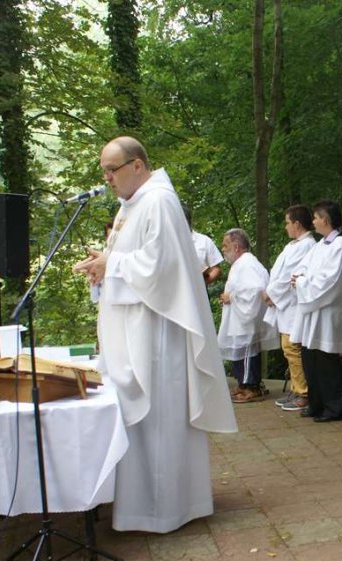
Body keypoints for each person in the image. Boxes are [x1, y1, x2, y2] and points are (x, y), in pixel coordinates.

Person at [72, 136, 237, 533]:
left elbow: (160, 266)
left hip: (156, 334)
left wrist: (112, 263)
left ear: (137, 166)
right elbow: (128, 260)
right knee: (141, 425)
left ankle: (165, 509)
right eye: (104, 172)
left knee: (159, 422)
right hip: (133, 332)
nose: (107, 178)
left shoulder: (159, 201)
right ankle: (140, 505)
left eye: (112, 170)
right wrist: (103, 266)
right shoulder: (130, 205)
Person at [292, 200, 342, 422]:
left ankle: (334, 408)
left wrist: (303, 283)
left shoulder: (341, 246)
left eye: (316, 217)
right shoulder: (321, 245)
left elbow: (331, 282)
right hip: (314, 311)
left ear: (325, 220)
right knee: (310, 358)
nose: (313, 221)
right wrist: (299, 277)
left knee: (326, 361)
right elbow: (304, 267)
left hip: (329, 312)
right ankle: (316, 403)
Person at [263, 205, 316, 411]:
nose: (285, 227)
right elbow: (279, 272)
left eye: (287, 222)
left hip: (293, 303)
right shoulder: (295, 245)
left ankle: (303, 392)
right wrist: (272, 292)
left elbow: (289, 275)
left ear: (297, 224)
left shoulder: (306, 246)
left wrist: (272, 294)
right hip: (285, 303)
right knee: (288, 347)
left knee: (292, 347)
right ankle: (296, 388)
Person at [218, 228, 278, 403]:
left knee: (246, 352)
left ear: (236, 247)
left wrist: (232, 297)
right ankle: (243, 384)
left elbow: (255, 289)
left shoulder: (247, 264)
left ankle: (251, 387)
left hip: (245, 319)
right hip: (239, 318)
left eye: (226, 245)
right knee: (240, 350)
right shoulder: (242, 263)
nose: (223, 249)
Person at [183, 206, 223, 285]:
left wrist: (202, 283)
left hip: (200, 289)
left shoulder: (204, 241)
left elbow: (216, 269)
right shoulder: (168, 242)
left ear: (189, 221)